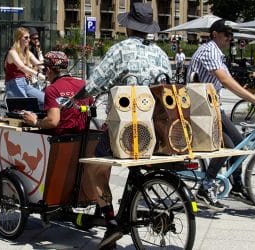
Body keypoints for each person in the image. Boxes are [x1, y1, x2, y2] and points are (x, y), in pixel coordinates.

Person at [82, 3, 172, 249]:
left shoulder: (121, 49)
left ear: (129, 27)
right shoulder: (161, 54)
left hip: (127, 126)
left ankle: (111, 222)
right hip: (157, 129)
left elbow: (96, 82)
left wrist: (77, 98)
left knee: (93, 167)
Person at [186, 19, 255, 211]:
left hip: (212, 107)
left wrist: (249, 90)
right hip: (202, 109)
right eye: (227, 35)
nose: (229, 39)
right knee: (230, 146)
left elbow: (228, 79)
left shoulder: (216, 52)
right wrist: (252, 99)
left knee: (238, 142)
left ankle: (236, 186)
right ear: (215, 34)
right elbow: (223, 79)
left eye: (231, 35)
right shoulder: (209, 50)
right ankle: (205, 187)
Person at [4, 27, 45, 108]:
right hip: (13, 84)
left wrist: (49, 68)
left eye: (29, 37)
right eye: (26, 37)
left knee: (45, 99)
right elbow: (21, 67)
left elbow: (38, 64)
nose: (29, 40)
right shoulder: (12, 52)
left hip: (24, 83)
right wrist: (37, 74)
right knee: (27, 108)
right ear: (19, 38)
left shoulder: (27, 52)